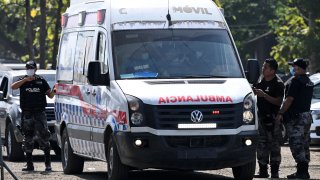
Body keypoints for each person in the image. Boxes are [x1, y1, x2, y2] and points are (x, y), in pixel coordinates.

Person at [11, 60, 55, 171]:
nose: (29, 70)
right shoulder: (22, 80)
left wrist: (54, 90)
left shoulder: (41, 81)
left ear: (35, 69)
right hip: (27, 114)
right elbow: (13, 87)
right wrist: (25, 80)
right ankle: (29, 165)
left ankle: (48, 165)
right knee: (28, 139)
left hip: (39, 114)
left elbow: (50, 95)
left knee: (44, 138)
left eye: (31, 68)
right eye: (28, 68)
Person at [276, 58, 314, 179]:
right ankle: (303, 171)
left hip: (297, 118)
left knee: (296, 143)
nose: (293, 68)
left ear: (299, 68)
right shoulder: (308, 81)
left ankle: (302, 172)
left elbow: (289, 99)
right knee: (305, 144)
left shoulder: (296, 81)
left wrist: (281, 112)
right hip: (306, 116)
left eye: (294, 67)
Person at [253, 59, 284, 178]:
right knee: (261, 145)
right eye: (263, 66)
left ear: (272, 70)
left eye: (265, 67)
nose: (263, 69)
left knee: (274, 145)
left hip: (274, 118)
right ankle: (263, 171)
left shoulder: (278, 83)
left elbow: (278, 102)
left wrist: (264, 95)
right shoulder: (260, 80)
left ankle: (275, 172)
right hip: (261, 117)